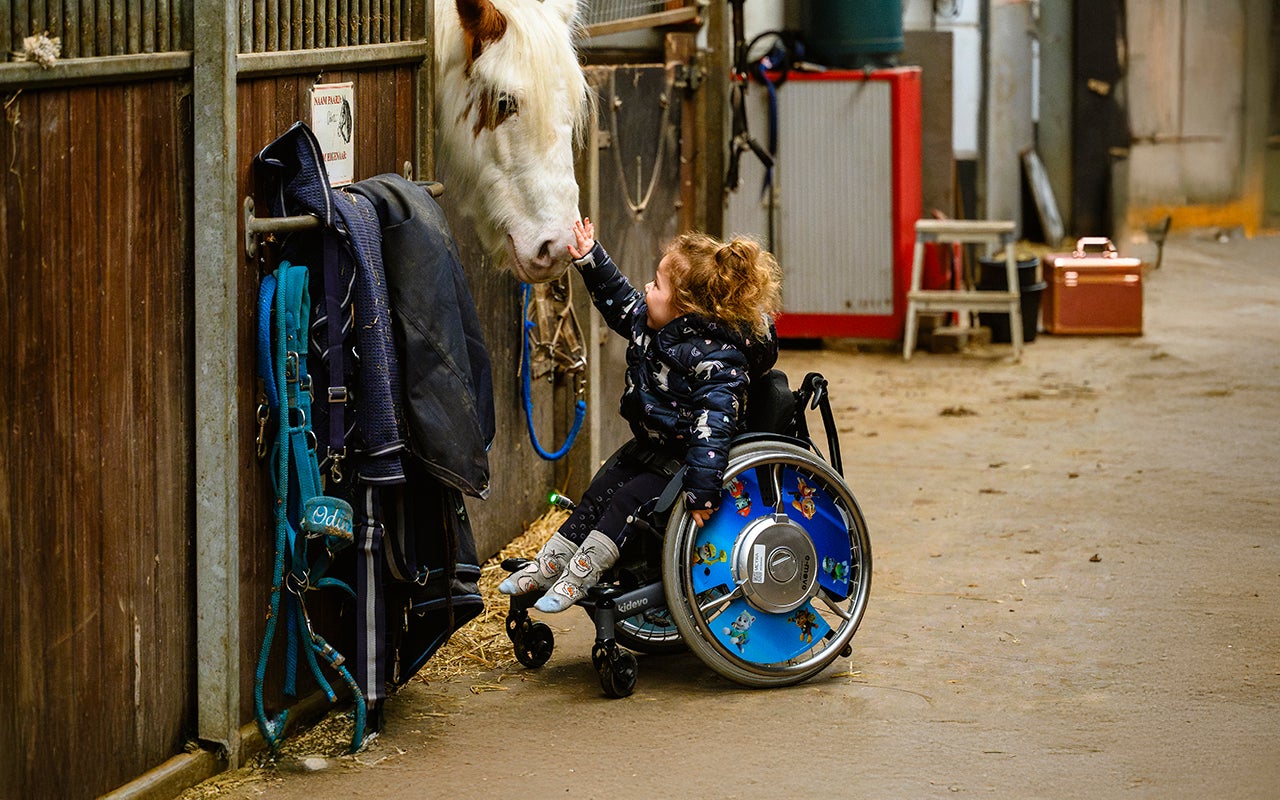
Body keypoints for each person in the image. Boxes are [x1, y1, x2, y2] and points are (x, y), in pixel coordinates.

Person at [499, 218, 782, 613]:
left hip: (683, 465)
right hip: (652, 448)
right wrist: (591, 258)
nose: (647, 288)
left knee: (625, 501)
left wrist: (702, 492)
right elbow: (621, 302)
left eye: (658, 285)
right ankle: (549, 565)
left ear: (685, 308)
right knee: (598, 493)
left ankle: (580, 576)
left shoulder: (718, 360)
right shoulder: (657, 325)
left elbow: (713, 429)